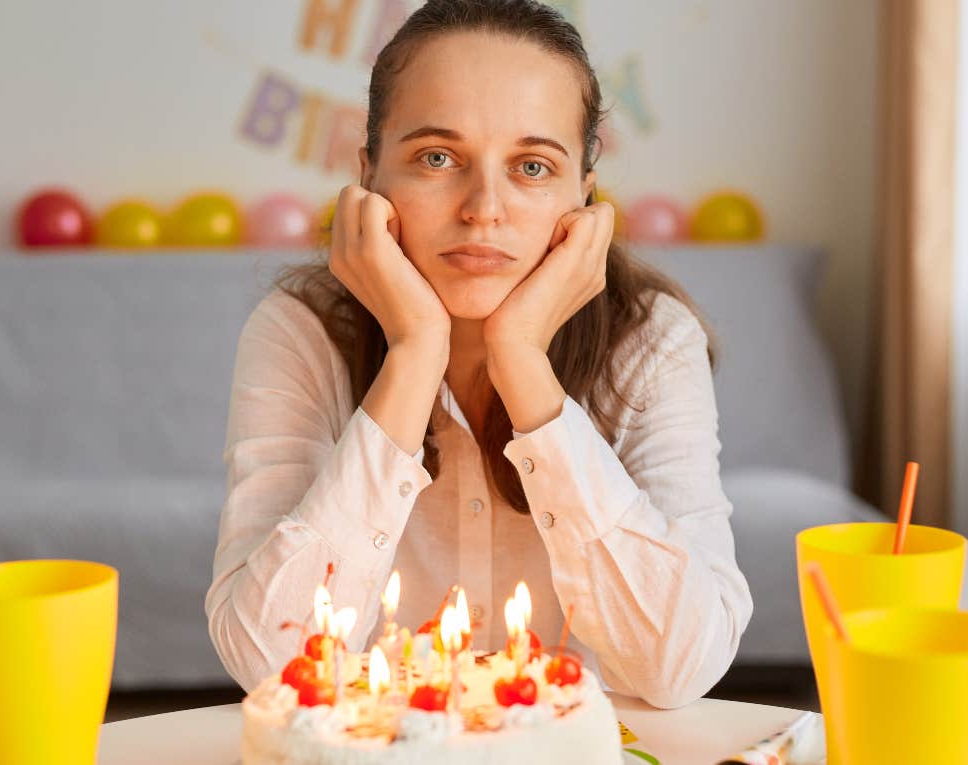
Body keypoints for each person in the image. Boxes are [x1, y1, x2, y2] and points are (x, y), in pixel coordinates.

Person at [206, 0, 752, 709]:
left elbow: (679, 666)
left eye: (531, 165)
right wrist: (413, 353)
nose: (483, 207)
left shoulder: (650, 340)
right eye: (438, 157)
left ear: (582, 196)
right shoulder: (299, 332)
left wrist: (523, 361)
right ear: (369, 177)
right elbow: (269, 663)